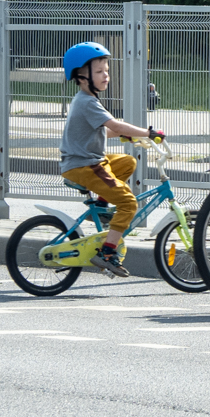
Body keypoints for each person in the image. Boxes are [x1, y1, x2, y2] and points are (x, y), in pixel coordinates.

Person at [59, 42, 165, 278]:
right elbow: (114, 124)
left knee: (127, 162)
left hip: (89, 161)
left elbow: (103, 131)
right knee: (129, 204)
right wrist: (147, 132)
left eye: (106, 70)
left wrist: (128, 135)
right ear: (81, 76)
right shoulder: (87, 101)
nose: (105, 75)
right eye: (98, 72)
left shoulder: (86, 99)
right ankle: (107, 252)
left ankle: (100, 205)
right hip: (85, 166)